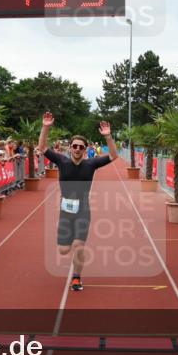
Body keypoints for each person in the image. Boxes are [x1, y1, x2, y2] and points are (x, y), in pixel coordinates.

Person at [36, 111, 118, 292]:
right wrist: (46, 127)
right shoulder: (62, 161)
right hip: (65, 211)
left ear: (85, 149)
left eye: (81, 147)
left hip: (83, 210)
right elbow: (42, 147)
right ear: (70, 147)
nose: (77, 149)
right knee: (64, 250)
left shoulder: (91, 164)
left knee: (78, 246)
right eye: (75, 146)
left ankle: (76, 278)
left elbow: (113, 156)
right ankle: (70, 242)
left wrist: (108, 137)